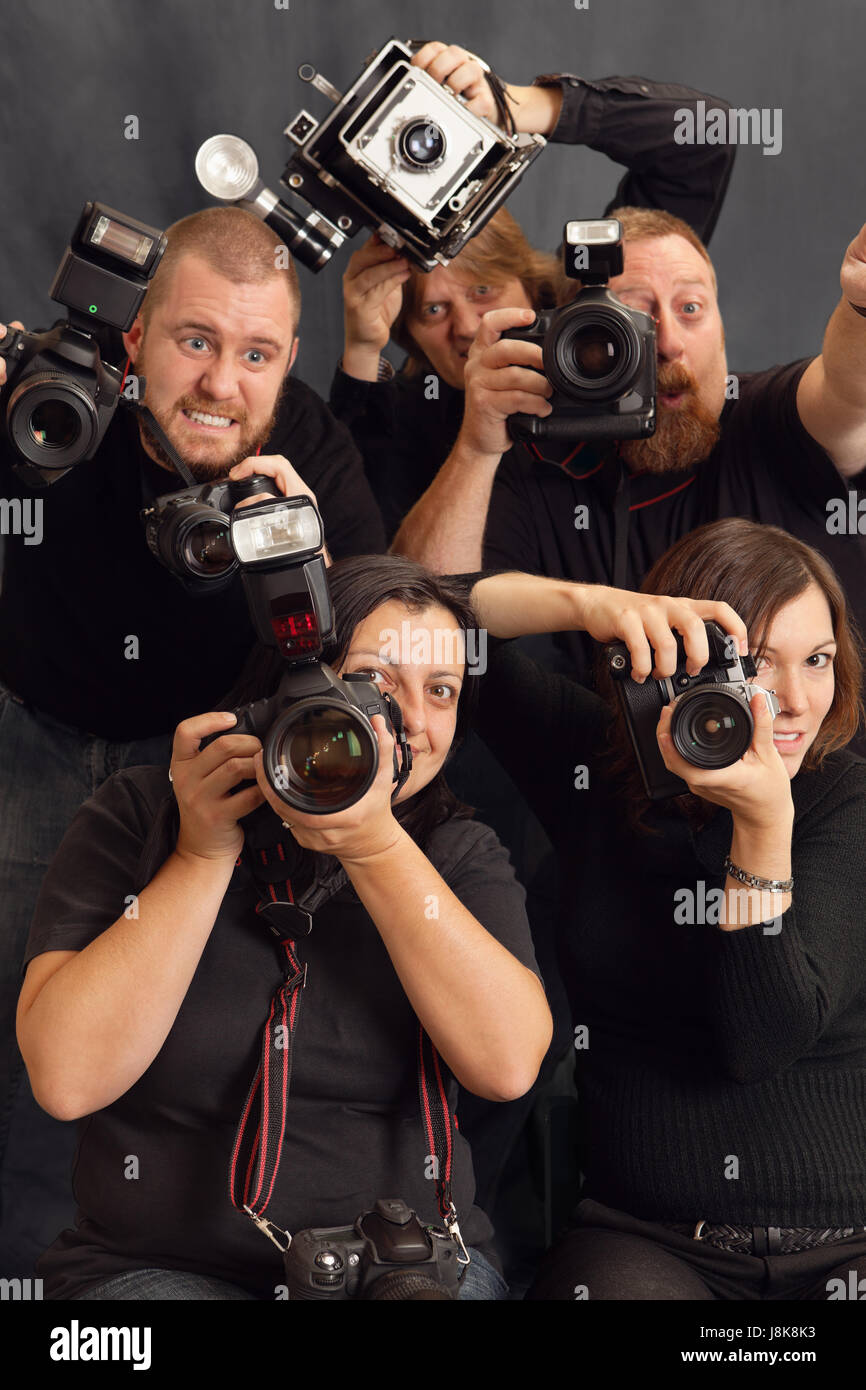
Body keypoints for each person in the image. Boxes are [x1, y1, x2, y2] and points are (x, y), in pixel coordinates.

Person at [0, 205, 385, 1272]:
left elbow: (384, 633)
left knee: (175, 1045)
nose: (222, 383)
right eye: (195, 341)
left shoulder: (306, 441)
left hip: (207, 777)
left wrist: (306, 557)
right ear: (134, 338)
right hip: (39, 747)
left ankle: (150, 1269)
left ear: (289, 359)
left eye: (255, 353)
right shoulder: (53, 396)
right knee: (23, 1034)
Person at [15, 551, 551, 1300]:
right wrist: (202, 855)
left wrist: (376, 847)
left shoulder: (454, 853)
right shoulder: (143, 814)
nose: (412, 723)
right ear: (294, 686)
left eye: (442, 691)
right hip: (161, 1265)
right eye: (378, 681)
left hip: (406, 1265)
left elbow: (506, 1066)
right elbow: (67, 1079)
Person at [462, 517, 866, 1299]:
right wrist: (590, 606)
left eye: (816, 661)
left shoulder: (845, 798)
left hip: (850, 1245)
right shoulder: (594, 764)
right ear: (682, 662)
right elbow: (439, 617)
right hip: (650, 1245)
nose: (793, 700)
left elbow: (760, 1041)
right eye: (756, 663)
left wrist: (761, 827)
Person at [394, 206, 866, 712]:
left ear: (722, 323)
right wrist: (477, 446)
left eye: (690, 308)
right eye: (633, 321)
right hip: (635, 781)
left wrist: (859, 306)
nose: (666, 343)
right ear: (574, 348)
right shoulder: (536, 463)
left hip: (818, 773)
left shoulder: (767, 418)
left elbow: (847, 384)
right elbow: (420, 617)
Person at [329, 41, 735, 541]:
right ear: (408, 334)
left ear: (531, 282)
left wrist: (518, 109)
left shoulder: (600, 301)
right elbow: (365, 549)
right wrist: (363, 353)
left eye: (483, 290)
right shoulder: (418, 417)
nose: (467, 326)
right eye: (433, 309)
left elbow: (703, 139)